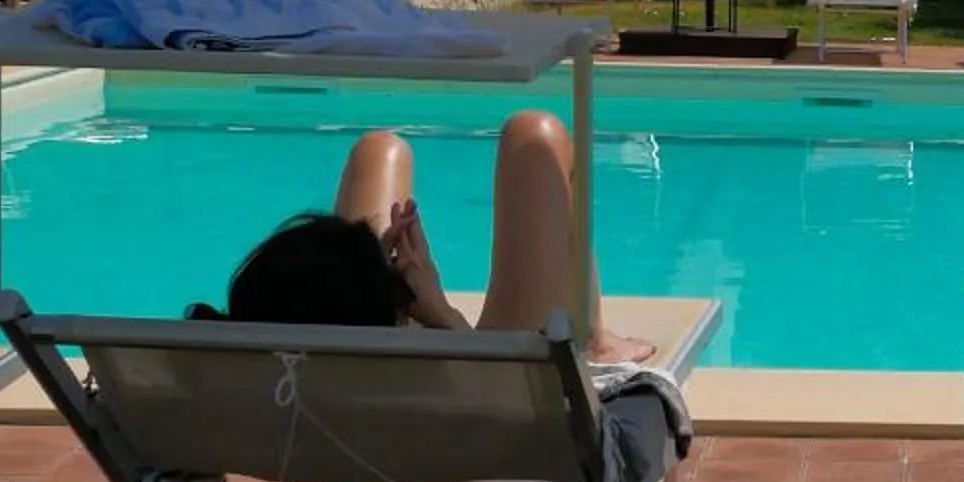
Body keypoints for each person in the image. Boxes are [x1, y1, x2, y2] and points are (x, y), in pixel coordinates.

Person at [204, 109, 647, 362]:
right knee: (537, 135)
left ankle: (359, 281)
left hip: (356, 374)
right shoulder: (453, 372)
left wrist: (366, 271)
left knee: (381, 150)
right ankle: (595, 339)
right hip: (489, 371)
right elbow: (488, 384)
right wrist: (440, 313)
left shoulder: (265, 396)